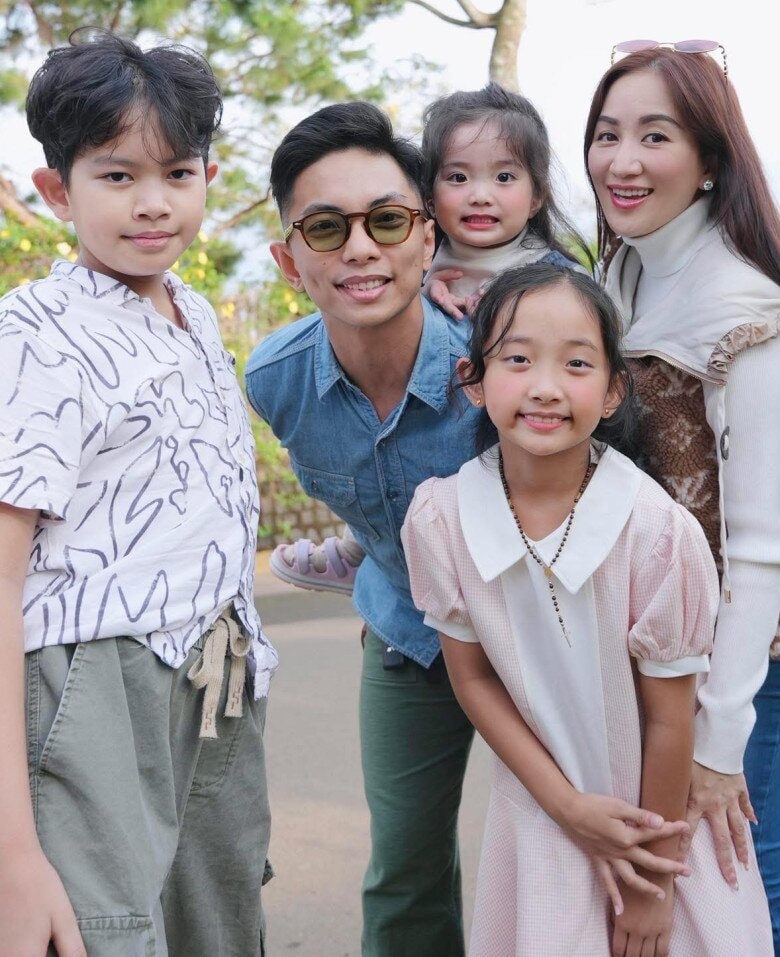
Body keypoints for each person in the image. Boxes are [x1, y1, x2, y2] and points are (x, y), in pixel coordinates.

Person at [245, 101, 696, 957]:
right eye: (327, 228)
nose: (360, 248)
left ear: (427, 237)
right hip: (413, 633)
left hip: (557, 642)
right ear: (289, 259)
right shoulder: (276, 380)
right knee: (404, 869)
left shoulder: (501, 366)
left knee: (583, 848)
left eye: (386, 220)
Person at [402, 262, 773, 956]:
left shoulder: (656, 533)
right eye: (517, 359)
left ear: (612, 391)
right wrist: (567, 806)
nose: (545, 386)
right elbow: (473, 679)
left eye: (576, 363)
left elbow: (670, 719)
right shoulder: (442, 519)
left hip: (657, 828)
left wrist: (651, 885)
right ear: (473, 380)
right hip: (543, 818)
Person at [0, 30, 277, 957]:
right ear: (57, 191)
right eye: (117, 176)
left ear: (207, 177)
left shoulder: (193, 310)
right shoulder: (36, 332)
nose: (153, 202)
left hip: (219, 672)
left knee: (219, 926)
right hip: (93, 687)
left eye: (178, 173)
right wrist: (13, 853)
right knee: (103, 935)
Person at [584, 42, 780, 945]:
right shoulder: (620, 275)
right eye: (606, 134)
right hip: (659, 665)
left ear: (709, 161)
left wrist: (721, 742)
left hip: (747, 676)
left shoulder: (746, 311)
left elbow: (761, 547)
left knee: (747, 893)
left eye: (654, 136)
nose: (622, 161)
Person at [269, 82, 591, 596]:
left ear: (537, 196)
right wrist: (426, 285)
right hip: (401, 596)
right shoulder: (417, 266)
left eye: (504, 177)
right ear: (430, 198)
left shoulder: (551, 277)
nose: (480, 194)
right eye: (457, 177)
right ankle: (366, 556)